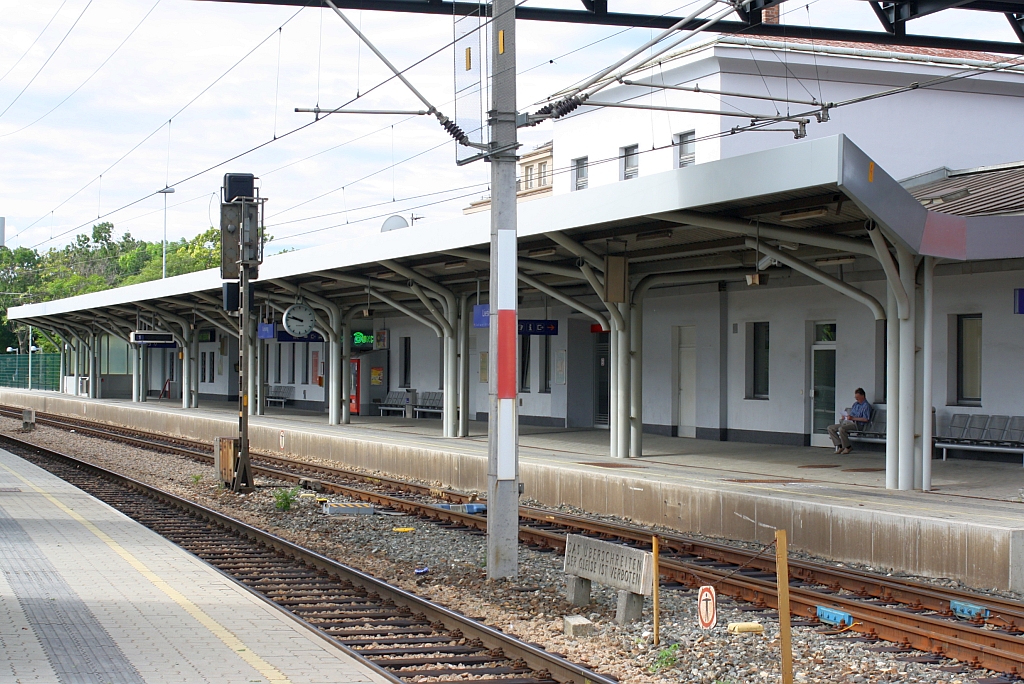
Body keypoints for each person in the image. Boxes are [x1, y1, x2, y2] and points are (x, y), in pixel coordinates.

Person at [828, 388, 872, 454]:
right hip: (848, 422)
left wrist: (853, 418)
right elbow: (851, 415)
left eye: (858, 397)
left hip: (857, 424)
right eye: (855, 397)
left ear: (862, 396)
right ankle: (840, 446)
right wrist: (845, 417)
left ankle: (848, 447)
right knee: (830, 428)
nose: (856, 399)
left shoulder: (866, 406)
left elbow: (865, 419)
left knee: (841, 429)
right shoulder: (855, 404)